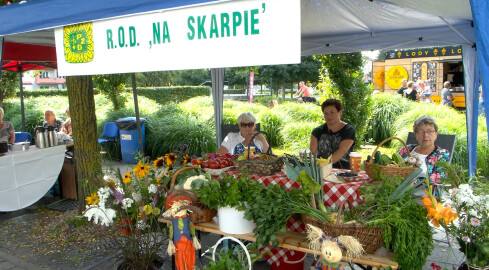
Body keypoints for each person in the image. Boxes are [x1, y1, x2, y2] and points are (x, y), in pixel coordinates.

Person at [397, 116, 450, 185]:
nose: (425, 135)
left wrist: (410, 182)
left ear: (436, 135)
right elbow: (393, 167)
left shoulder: (442, 154)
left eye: (430, 131)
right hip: (400, 193)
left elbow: (439, 178)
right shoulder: (407, 149)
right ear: (416, 135)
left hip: (427, 194)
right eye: (421, 132)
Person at [309, 99, 355, 169]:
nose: (329, 116)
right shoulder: (317, 131)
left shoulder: (348, 130)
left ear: (340, 113)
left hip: (342, 170)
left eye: (332, 112)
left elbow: (342, 150)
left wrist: (325, 165)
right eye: (326, 113)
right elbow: (312, 153)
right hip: (320, 170)